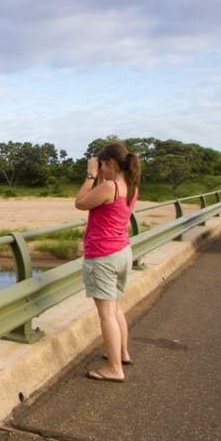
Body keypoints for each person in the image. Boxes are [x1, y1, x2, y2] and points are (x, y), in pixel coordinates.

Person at [74, 143, 141, 382]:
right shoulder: (130, 186)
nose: (99, 168)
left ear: (111, 164)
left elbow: (80, 202)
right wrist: (101, 174)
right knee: (116, 308)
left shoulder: (109, 187)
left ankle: (114, 368)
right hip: (122, 251)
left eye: (102, 164)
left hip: (103, 255)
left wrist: (91, 175)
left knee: (106, 315)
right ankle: (122, 354)